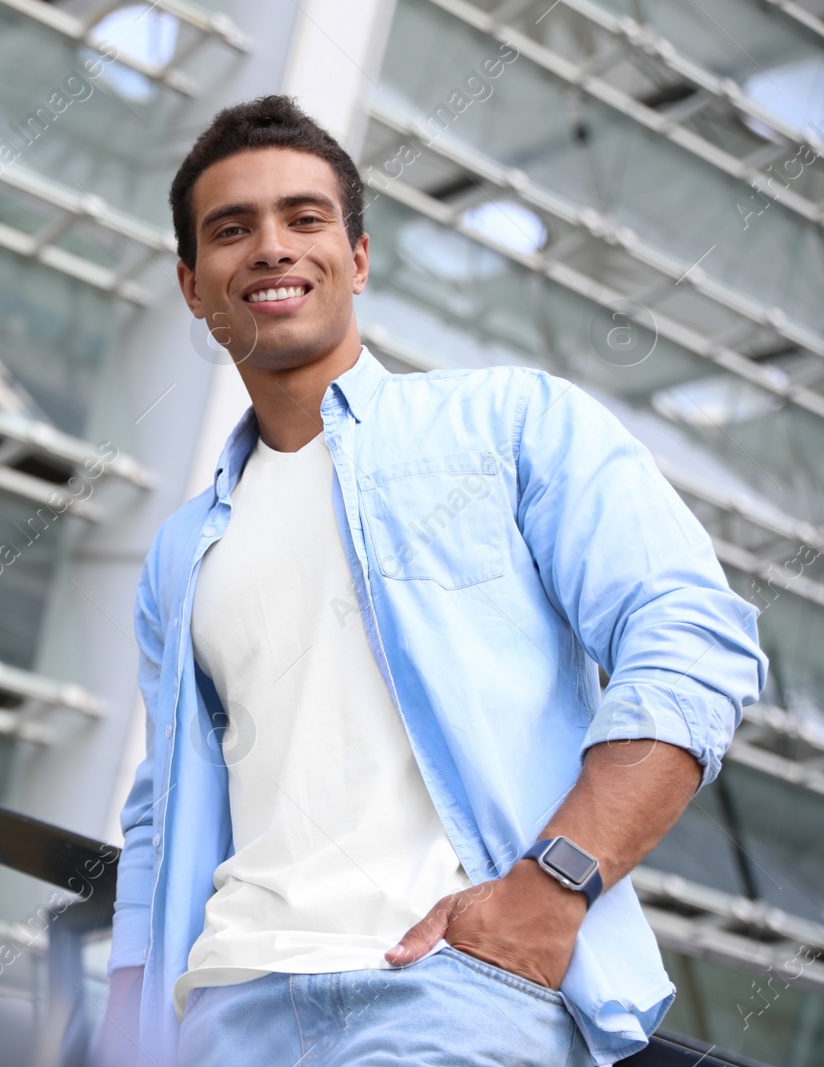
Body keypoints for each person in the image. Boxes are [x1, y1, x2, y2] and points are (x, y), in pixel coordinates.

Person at [92, 95, 766, 1067]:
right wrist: (128, 1024)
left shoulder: (512, 422)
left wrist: (553, 883)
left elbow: (690, 632)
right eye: (232, 230)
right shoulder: (180, 549)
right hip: (226, 1007)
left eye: (304, 218)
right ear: (193, 287)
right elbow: (161, 806)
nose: (271, 247)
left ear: (357, 258)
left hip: (449, 986)